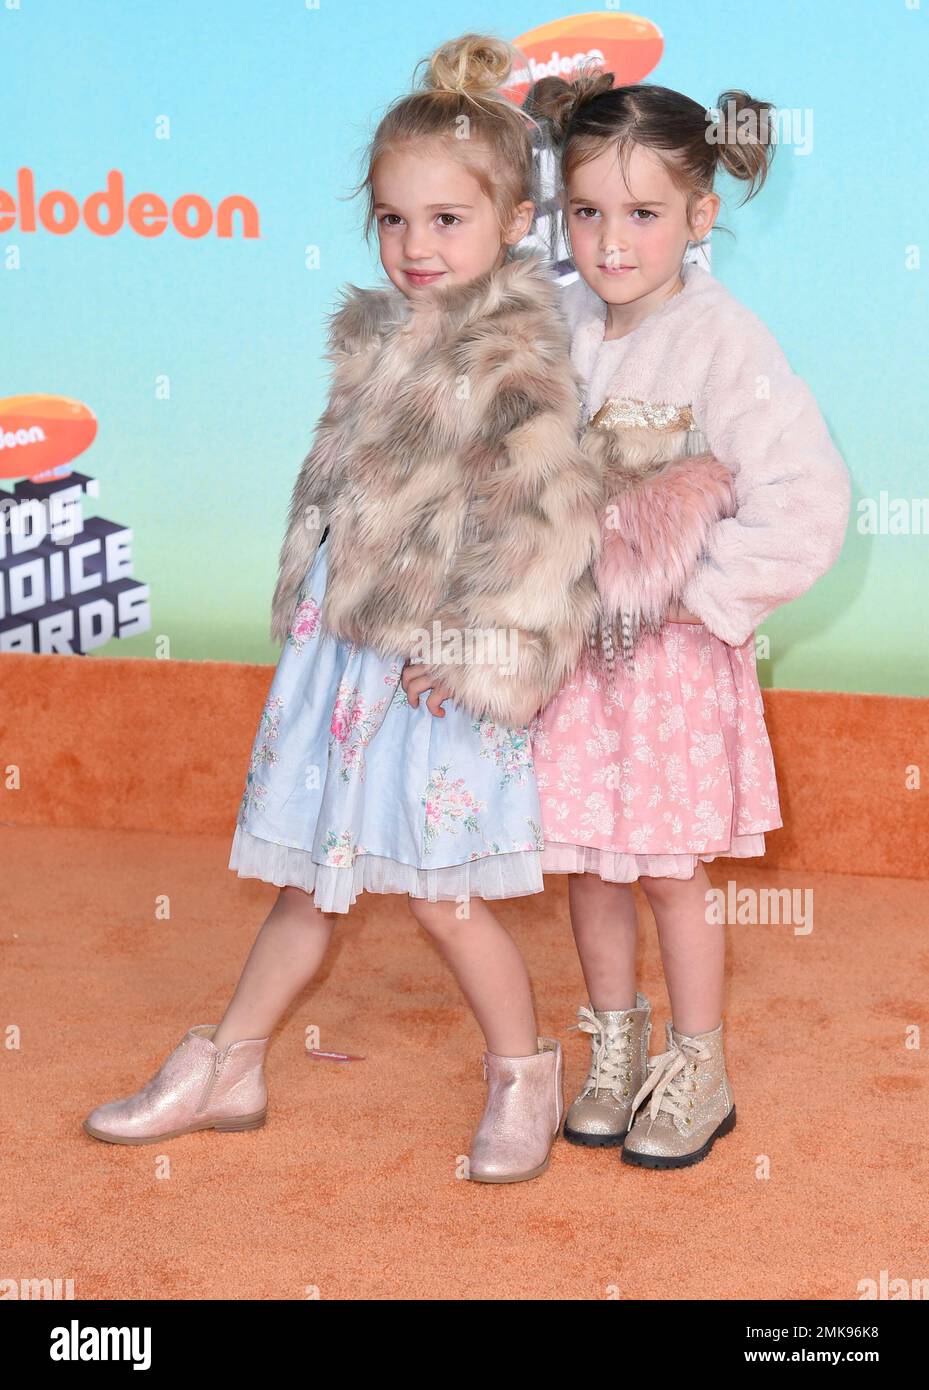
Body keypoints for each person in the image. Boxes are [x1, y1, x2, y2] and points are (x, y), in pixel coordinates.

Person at [82, 34, 603, 1185]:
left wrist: (472, 651)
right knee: (310, 878)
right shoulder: (382, 337)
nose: (415, 246)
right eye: (392, 220)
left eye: (446, 220)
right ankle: (230, 1062)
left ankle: (523, 1071)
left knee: (443, 897)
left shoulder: (514, 356)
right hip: (348, 654)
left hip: (436, 668)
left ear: (516, 221)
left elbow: (551, 530)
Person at [524, 72, 851, 1167]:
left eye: (643, 213)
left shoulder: (724, 340)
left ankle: (697, 1064)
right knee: (589, 863)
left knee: (666, 868)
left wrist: (688, 596)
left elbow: (806, 503)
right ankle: (613, 1049)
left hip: (665, 667)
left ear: (700, 215)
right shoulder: (553, 321)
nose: (611, 242)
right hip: (574, 663)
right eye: (587, 211)